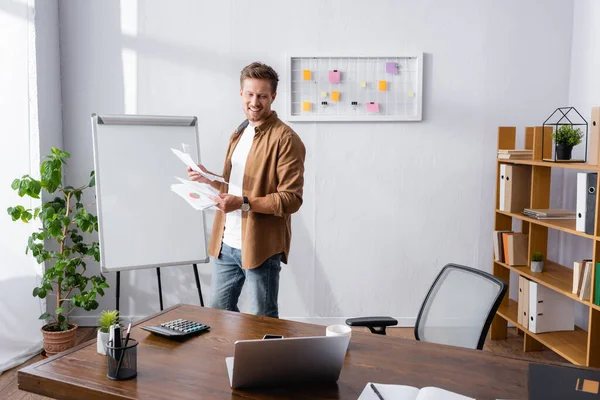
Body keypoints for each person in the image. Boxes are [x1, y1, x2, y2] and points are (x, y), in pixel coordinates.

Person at [188, 61, 306, 318]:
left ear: (273, 96)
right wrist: (209, 179)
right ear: (241, 93)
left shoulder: (286, 139)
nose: (255, 102)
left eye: (262, 95)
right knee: (219, 316)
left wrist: (242, 203)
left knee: (262, 320)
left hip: (260, 246)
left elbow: (291, 199)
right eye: (250, 94)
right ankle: (230, 359)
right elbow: (235, 186)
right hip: (225, 242)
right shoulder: (240, 132)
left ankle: (269, 360)